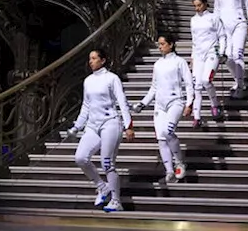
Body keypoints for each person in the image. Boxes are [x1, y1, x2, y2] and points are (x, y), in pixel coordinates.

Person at [61, 48, 133, 213]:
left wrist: (129, 125)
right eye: (90, 59)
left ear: (103, 60)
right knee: (80, 158)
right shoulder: (88, 81)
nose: (91, 61)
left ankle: (116, 201)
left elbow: (122, 101)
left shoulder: (112, 78)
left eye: (94, 58)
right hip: (93, 125)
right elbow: (86, 106)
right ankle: (102, 187)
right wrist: (77, 126)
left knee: (107, 163)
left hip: (111, 123)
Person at [131, 35, 191, 183]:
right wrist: (143, 103)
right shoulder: (157, 64)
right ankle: (169, 171)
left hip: (175, 102)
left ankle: (179, 162)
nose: (160, 47)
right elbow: (154, 87)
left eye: (163, 44)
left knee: (168, 131)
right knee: (161, 139)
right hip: (160, 105)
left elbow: (189, 83)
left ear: (171, 45)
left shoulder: (179, 62)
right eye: (159, 44)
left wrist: (189, 104)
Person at [213, 0, 248, 98]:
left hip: (239, 24)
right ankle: (238, 80)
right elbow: (216, 10)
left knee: (237, 54)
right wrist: (214, 27)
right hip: (225, 27)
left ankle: (240, 87)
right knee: (227, 57)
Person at [188, 0, 225, 126]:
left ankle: (215, 105)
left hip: (211, 52)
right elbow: (194, 40)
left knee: (206, 80)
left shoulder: (214, 17)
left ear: (205, 4)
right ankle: (197, 117)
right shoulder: (193, 20)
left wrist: (221, 52)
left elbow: (222, 36)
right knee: (197, 85)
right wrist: (192, 56)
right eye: (195, 6)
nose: (197, 8)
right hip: (198, 55)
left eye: (199, 5)